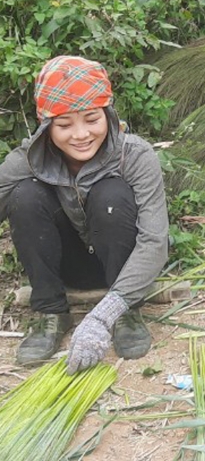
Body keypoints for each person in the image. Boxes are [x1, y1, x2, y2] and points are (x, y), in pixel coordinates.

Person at [0, 56, 169, 370]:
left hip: (121, 268)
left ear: (108, 114)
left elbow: (155, 241)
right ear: (46, 125)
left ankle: (126, 315)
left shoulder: (134, 155)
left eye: (92, 119)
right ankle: (51, 313)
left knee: (112, 194)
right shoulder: (28, 159)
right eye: (64, 125)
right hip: (66, 266)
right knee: (24, 194)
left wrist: (104, 315)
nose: (80, 135)